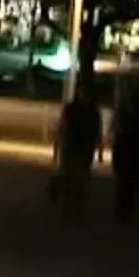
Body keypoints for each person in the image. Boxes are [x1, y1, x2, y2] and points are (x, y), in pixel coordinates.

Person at [49, 83, 101, 214]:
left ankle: (74, 204)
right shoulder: (87, 111)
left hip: (80, 147)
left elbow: (62, 127)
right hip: (73, 146)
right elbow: (62, 127)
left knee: (77, 177)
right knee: (73, 176)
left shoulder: (82, 110)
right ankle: (71, 204)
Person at [110, 78, 139, 224]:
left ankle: (125, 211)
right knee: (127, 185)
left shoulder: (133, 113)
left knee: (127, 185)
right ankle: (125, 212)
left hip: (130, 152)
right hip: (130, 152)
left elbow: (114, 131)